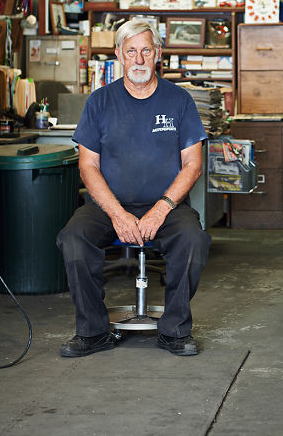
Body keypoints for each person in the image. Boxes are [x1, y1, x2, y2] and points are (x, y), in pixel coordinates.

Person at [56, 20, 210, 357]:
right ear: (118, 56)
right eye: (131, 52)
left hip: (166, 206)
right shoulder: (98, 103)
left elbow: (193, 165)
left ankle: (174, 330)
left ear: (157, 54)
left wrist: (162, 207)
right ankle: (93, 332)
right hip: (108, 206)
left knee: (192, 239)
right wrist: (117, 214)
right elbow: (88, 167)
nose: (138, 59)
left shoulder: (179, 101)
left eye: (146, 51)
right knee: (73, 238)